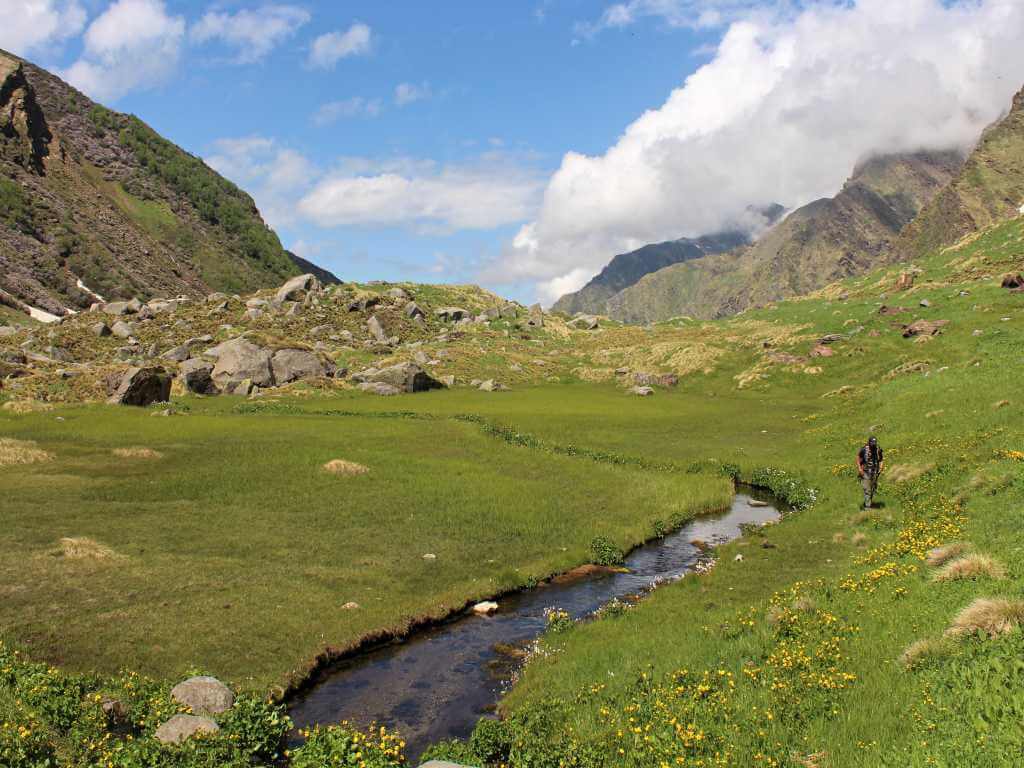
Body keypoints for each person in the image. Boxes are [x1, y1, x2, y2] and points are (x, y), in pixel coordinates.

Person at [856, 436, 884, 509]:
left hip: (874, 472)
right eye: (872, 443)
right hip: (865, 472)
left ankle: (869, 503)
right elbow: (858, 458)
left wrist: (881, 467)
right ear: (869, 443)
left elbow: (881, 459)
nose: (873, 445)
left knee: (873, 489)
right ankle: (868, 507)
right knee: (867, 489)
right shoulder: (864, 449)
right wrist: (859, 469)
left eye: (874, 443)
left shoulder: (878, 449)